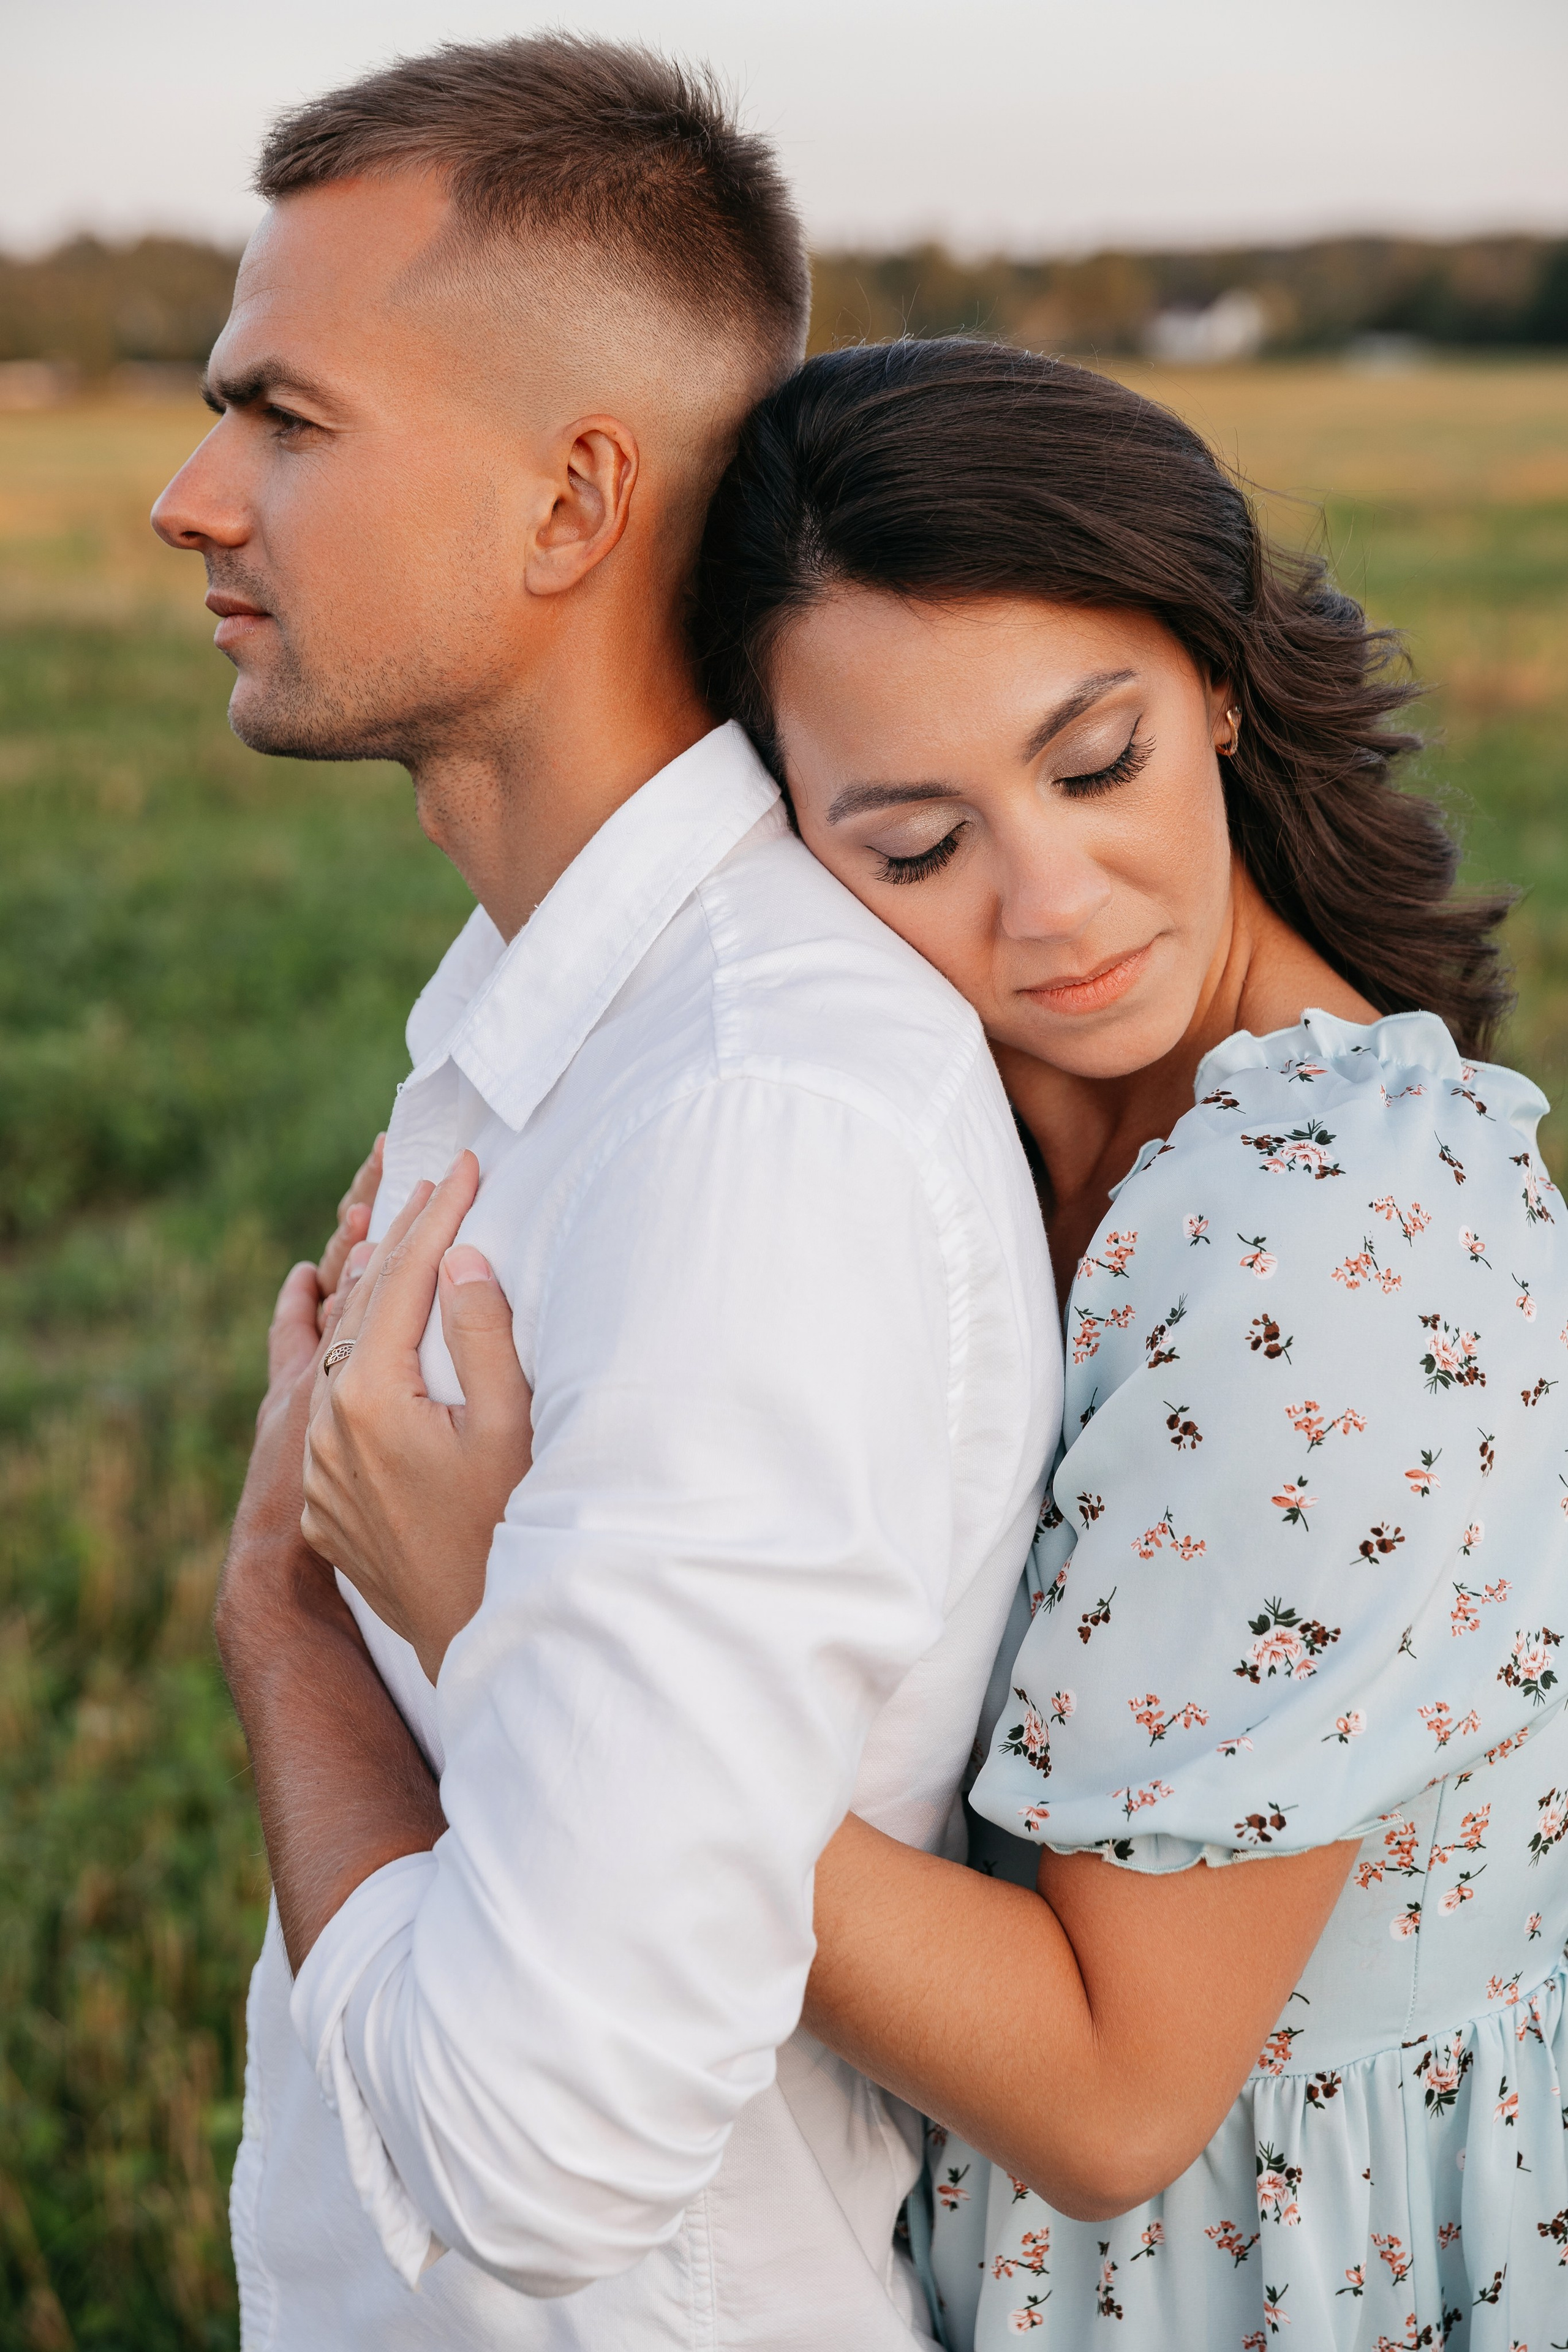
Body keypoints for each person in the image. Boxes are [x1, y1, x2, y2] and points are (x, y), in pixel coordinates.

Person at [318, 339, 1568, 2351]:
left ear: (1216, 678)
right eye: (916, 845)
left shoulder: (1319, 1243)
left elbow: (1111, 2102)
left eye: (1098, 761)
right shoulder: (959, 1134)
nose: (1052, 904)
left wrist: (502, 1618)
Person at [161, 47, 1060, 2352]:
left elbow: (535, 2155)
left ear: (572, 502)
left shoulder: (755, 1124)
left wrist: (283, 1629)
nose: (190, 497)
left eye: (284, 418)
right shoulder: (556, 1021)